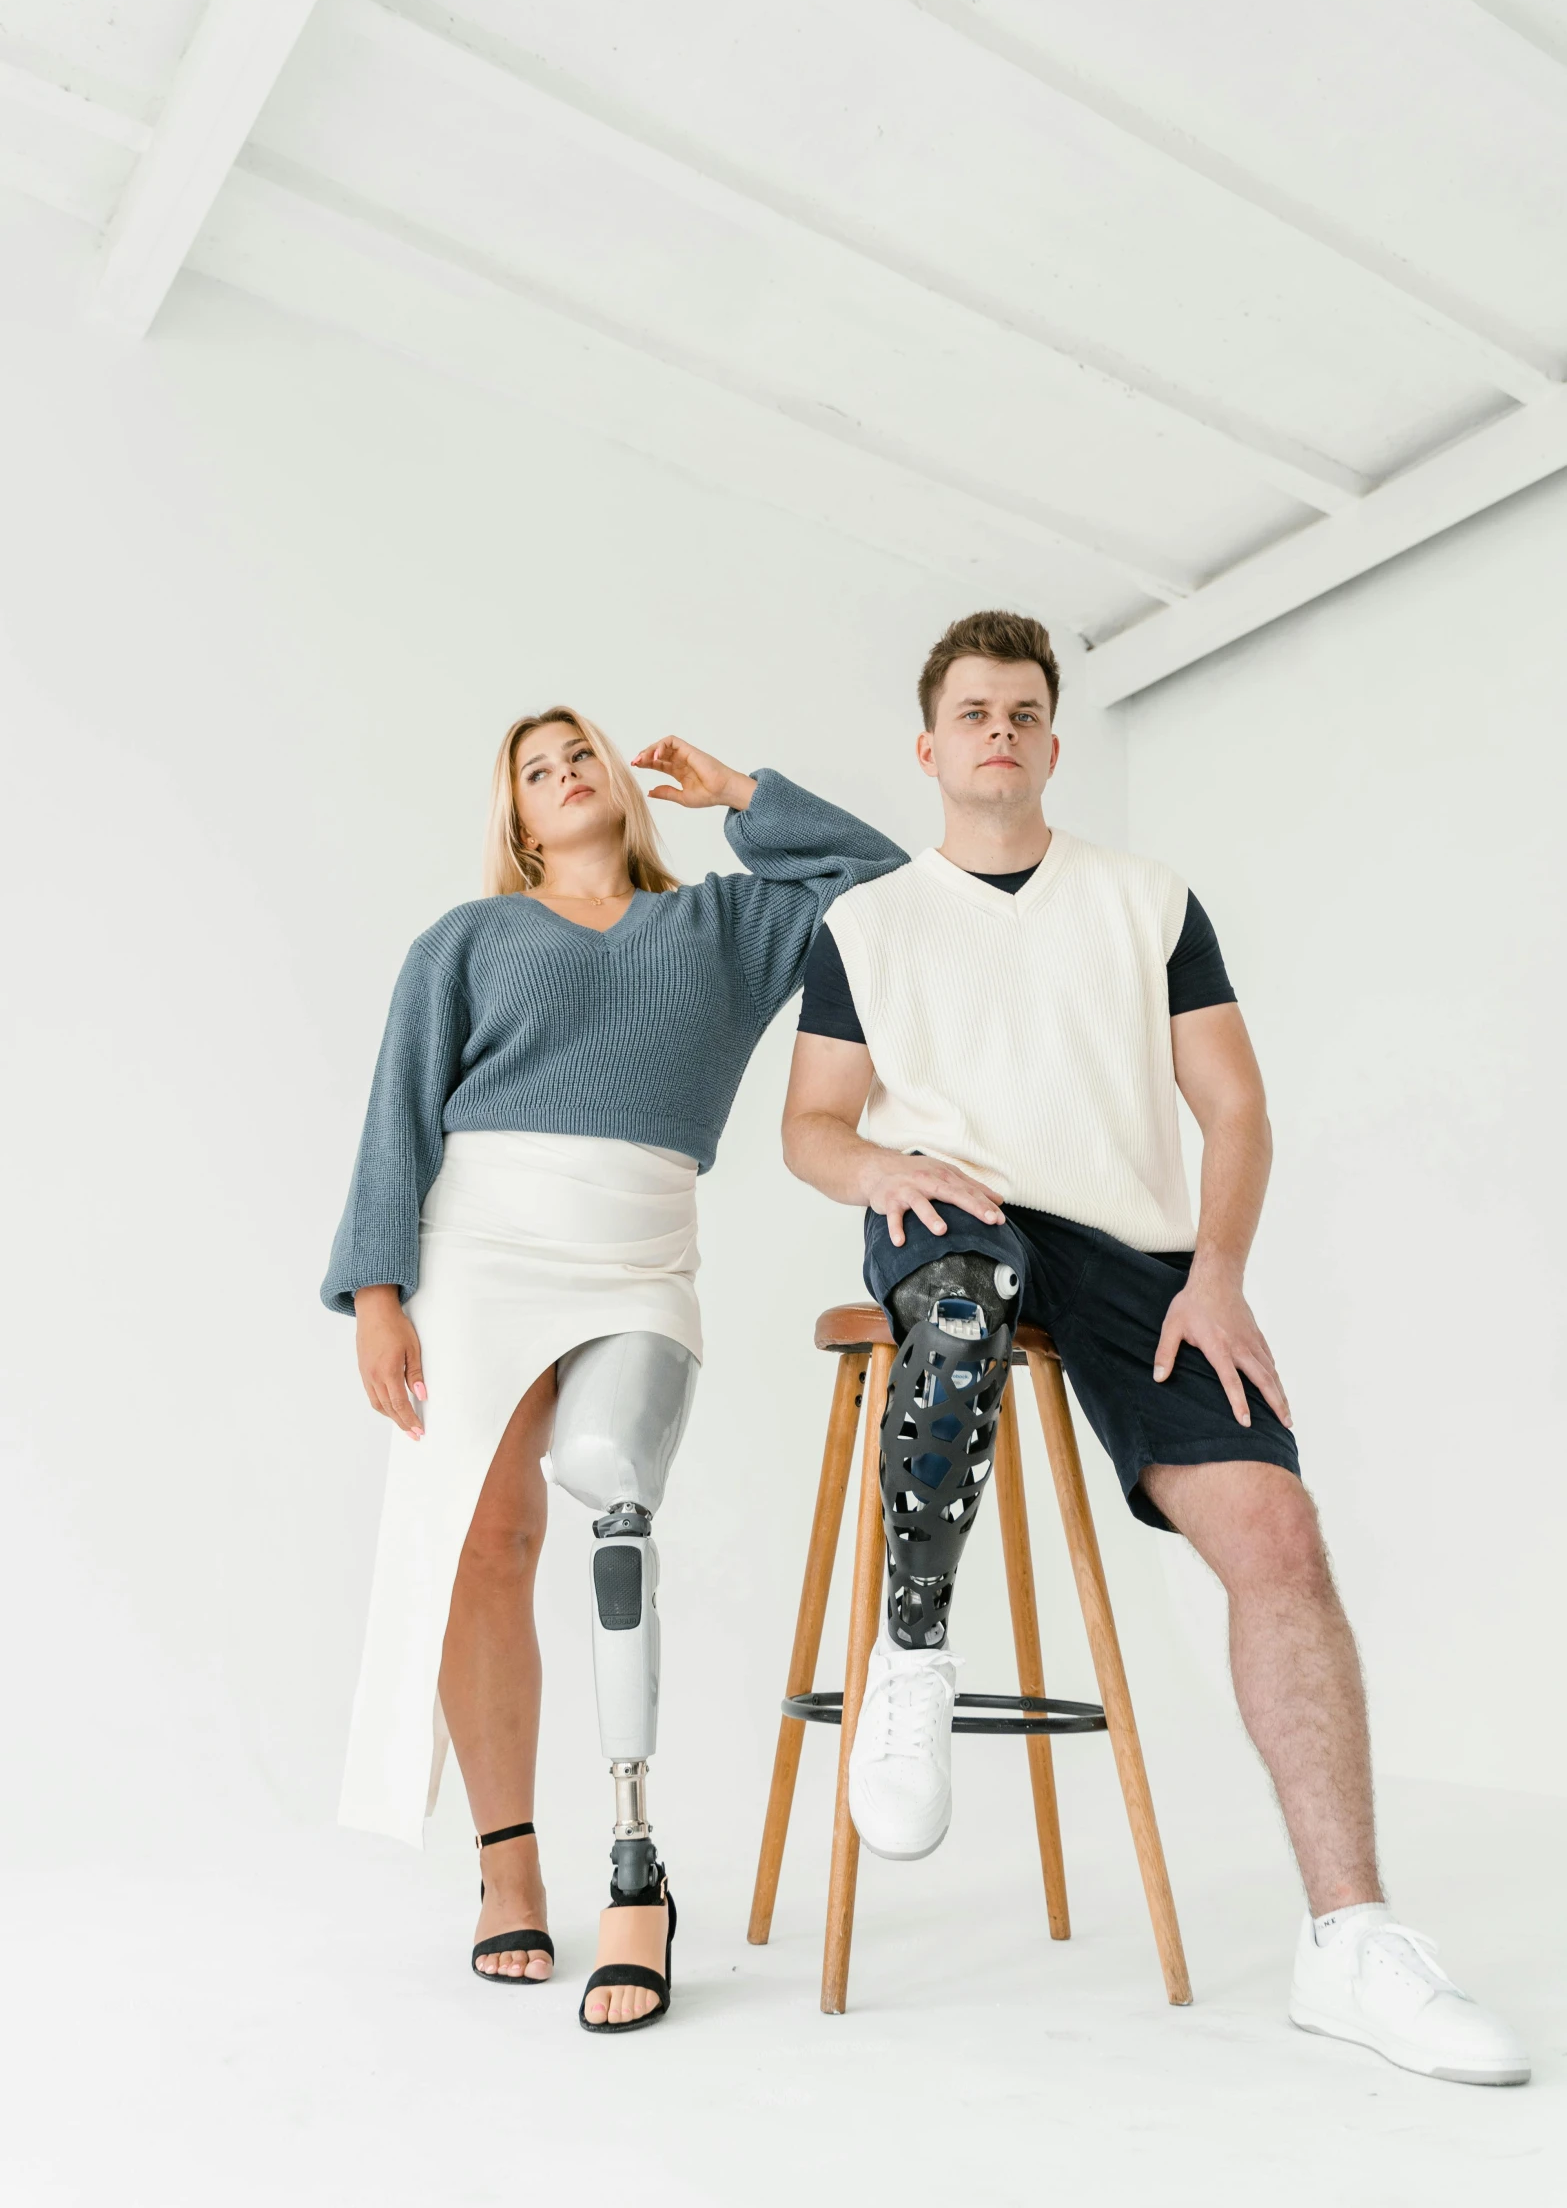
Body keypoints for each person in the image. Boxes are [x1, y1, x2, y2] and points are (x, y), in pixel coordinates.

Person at [780, 610, 1528, 2087]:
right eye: (972, 711)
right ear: (927, 749)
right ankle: (912, 1655)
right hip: (958, 1215)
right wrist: (873, 1171)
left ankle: (1349, 1937)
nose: (999, 729)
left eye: (1023, 712)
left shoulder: (1146, 899)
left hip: (1131, 1246)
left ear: (1053, 746)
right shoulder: (862, 927)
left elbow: (1234, 1108)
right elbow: (809, 1122)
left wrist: (1221, 1275)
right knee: (954, 1305)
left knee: (1277, 1530)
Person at [323, 707, 902, 2033]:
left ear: (620, 788)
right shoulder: (466, 940)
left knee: (618, 1502)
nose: (567, 773)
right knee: (488, 1538)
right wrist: (375, 1295)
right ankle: (510, 1866)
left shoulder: (722, 923)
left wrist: (743, 792)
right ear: (518, 817)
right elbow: (397, 1110)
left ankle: (639, 1866)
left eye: (580, 751)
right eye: (537, 769)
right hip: (480, 1241)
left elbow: (879, 890)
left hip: (640, 1249)